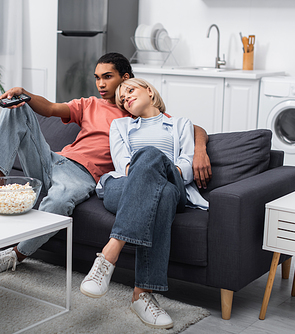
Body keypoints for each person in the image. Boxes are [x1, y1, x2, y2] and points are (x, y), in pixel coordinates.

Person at [0, 53, 212, 277]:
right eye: (97, 78)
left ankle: (16, 255)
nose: (101, 84)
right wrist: (25, 93)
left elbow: (190, 128)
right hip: (52, 160)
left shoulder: (138, 115)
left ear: (125, 78)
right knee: (17, 104)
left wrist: (199, 150)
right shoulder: (90, 104)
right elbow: (51, 108)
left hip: (80, 175)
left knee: (58, 202)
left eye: (107, 77)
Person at [79, 78, 209, 329]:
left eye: (130, 91)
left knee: (153, 160)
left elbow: (186, 165)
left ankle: (108, 257)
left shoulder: (181, 124)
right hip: (124, 186)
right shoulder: (120, 125)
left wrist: (159, 167)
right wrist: (150, 173)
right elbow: (123, 165)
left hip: (174, 182)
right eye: (122, 99)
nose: (126, 98)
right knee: (163, 194)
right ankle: (142, 295)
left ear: (149, 91)